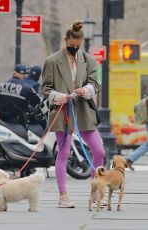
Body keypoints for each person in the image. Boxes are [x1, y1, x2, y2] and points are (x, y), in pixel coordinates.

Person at [41, 21, 105, 208]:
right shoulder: (52, 61)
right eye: (71, 45)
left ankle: (95, 191)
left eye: (78, 46)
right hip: (62, 111)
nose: (74, 49)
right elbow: (45, 88)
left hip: (83, 110)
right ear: (66, 40)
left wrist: (86, 90)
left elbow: (94, 83)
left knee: (99, 151)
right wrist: (57, 96)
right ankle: (63, 195)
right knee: (64, 152)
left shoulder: (89, 60)